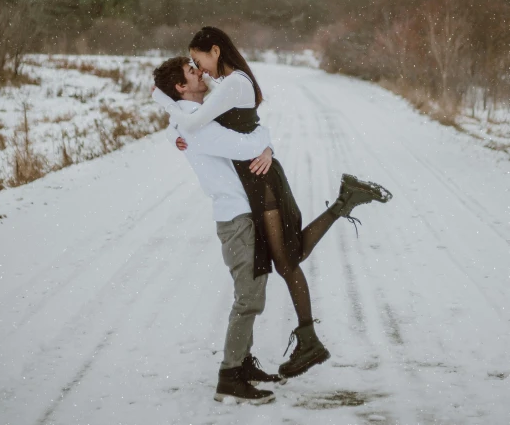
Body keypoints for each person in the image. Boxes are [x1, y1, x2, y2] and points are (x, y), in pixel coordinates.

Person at [153, 28, 393, 379]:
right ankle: (344, 204)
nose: (199, 68)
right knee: (287, 258)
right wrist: (175, 128)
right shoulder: (224, 86)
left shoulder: (232, 84)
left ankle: (309, 340)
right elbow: (225, 126)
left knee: (286, 259)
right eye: (193, 67)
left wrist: (263, 147)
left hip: (260, 178)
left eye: (198, 59)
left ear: (215, 51)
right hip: (255, 178)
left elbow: (209, 125)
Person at [152, 56, 282, 405]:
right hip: (235, 217)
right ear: (181, 87)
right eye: (193, 73)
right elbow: (247, 145)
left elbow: (238, 128)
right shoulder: (196, 125)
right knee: (249, 297)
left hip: (241, 212)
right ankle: (230, 376)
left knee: (253, 289)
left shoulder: (194, 117)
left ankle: (243, 364)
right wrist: (266, 143)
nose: (202, 74)